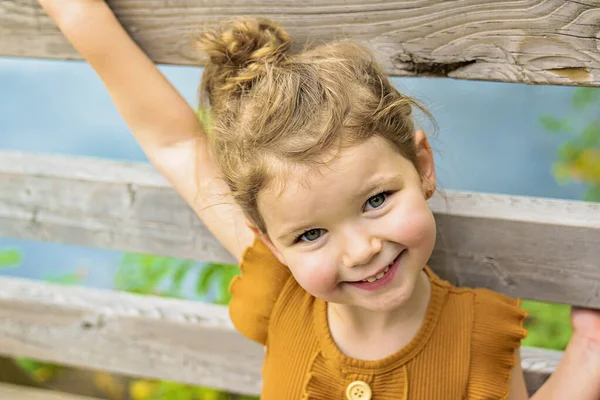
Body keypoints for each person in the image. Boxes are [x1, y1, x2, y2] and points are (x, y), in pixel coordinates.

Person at [37, 1, 600, 399]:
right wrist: (79, 13)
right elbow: (178, 143)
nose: (358, 250)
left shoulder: (477, 332)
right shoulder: (282, 293)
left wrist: (588, 352)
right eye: (310, 234)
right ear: (270, 243)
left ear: (422, 167)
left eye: (376, 200)